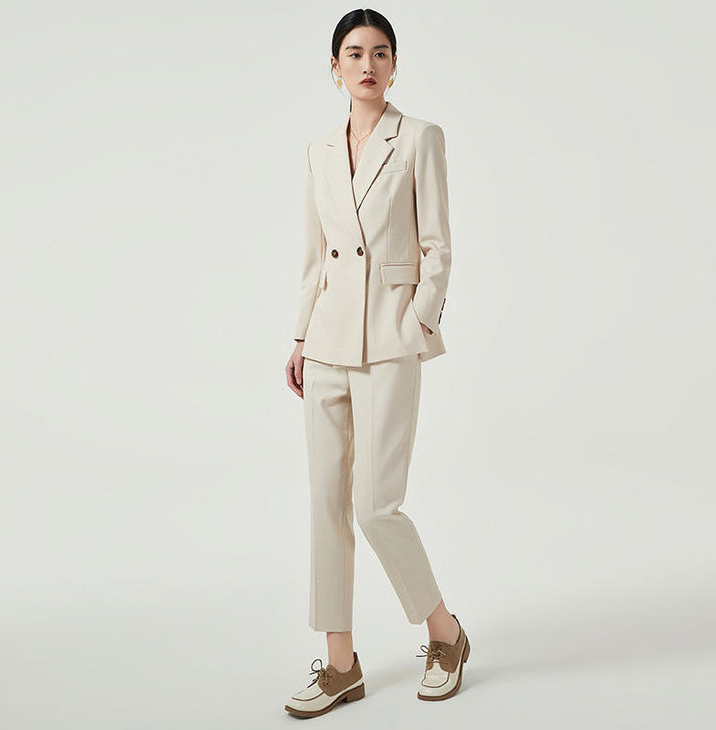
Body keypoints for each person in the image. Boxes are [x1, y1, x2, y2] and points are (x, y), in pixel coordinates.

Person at [283, 9, 470, 717]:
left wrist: (418, 319)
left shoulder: (419, 137)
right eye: (355, 53)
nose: (368, 65)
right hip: (327, 342)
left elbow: (438, 245)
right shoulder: (318, 151)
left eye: (381, 53)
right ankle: (340, 664)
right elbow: (313, 256)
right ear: (334, 68)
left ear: (395, 65)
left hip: (391, 339)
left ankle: (445, 634)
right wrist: (299, 337)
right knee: (326, 504)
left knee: (375, 507)